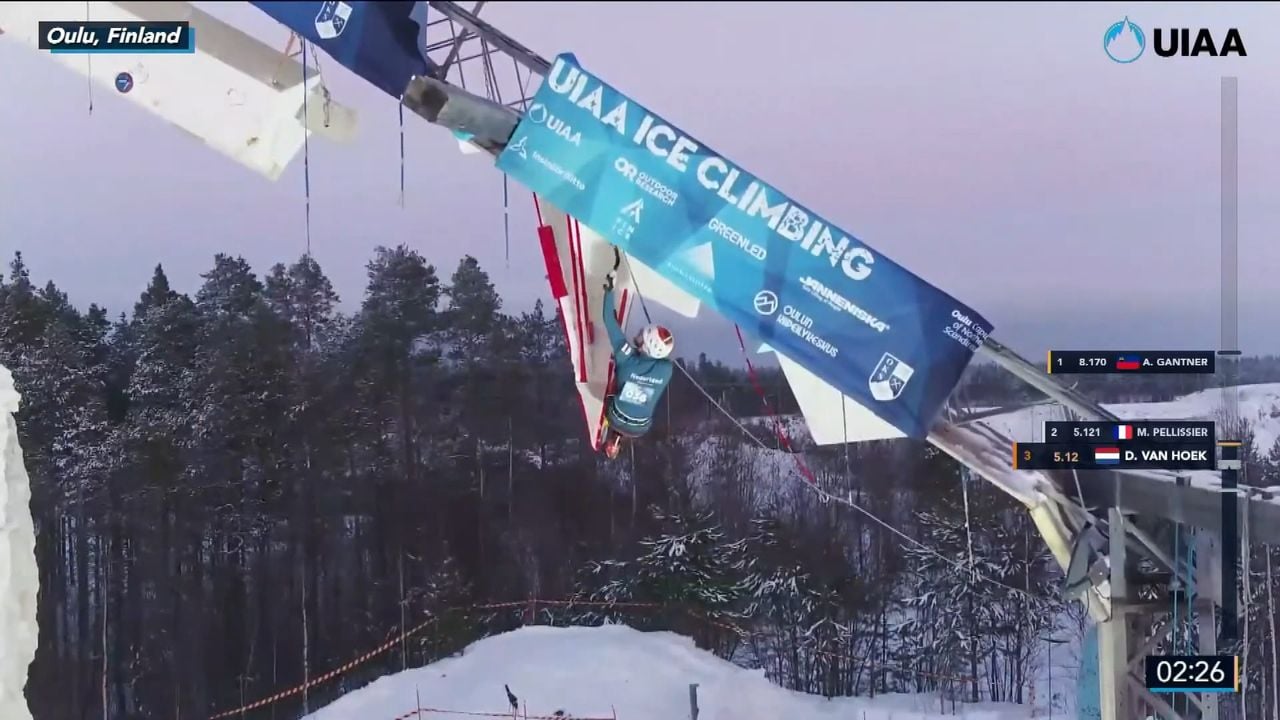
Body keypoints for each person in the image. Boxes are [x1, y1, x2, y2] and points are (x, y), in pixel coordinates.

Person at [599, 268, 675, 459]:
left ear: (647, 345)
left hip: (637, 424)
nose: (639, 334)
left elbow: (609, 320)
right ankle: (614, 438)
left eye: (643, 335)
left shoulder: (632, 359)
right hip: (639, 426)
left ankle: (613, 431)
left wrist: (610, 290)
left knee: (616, 375)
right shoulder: (665, 370)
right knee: (625, 388)